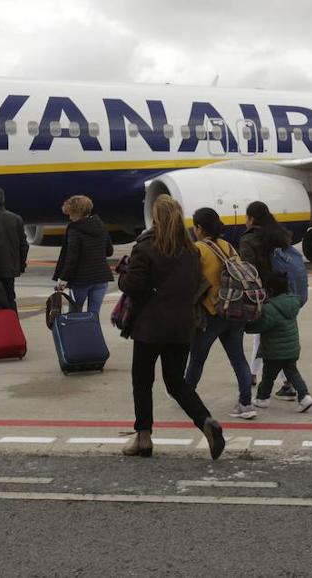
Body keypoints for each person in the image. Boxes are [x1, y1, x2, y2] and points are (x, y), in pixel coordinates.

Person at [117, 194, 225, 460]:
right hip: (181, 326)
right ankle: (205, 421)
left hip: (149, 327)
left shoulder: (146, 247)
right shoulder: (190, 250)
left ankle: (143, 438)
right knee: (176, 382)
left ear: (155, 218)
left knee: (142, 381)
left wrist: (123, 276)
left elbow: (133, 286)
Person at [184, 207, 256, 420]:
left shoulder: (198, 249)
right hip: (234, 311)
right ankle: (246, 403)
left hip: (211, 313)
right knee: (238, 358)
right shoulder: (229, 246)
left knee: (197, 357)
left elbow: (191, 280)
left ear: (199, 228)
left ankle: (186, 396)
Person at [238, 201, 297, 397]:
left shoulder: (249, 240)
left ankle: (290, 381)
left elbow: (248, 270)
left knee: (270, 338)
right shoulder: (279, 235)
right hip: (282, 289)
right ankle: (254, 372)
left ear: (251, 219)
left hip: (263, 293)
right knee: (265, 335)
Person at [245, 273, 312, 412]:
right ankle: (305, 396)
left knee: (268, 376)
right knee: (293, 373)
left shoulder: (269, 308)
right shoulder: (291, 303)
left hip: (274, 352)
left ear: (270, 291)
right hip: (291, 349)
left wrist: (246, 326)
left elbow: (260, 326)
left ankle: (262, 398)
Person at [52, 195, 113, 317]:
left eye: (70, 213)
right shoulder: (100, 225)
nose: (69, 217)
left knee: (75, 314)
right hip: (101, 277)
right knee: (94, 315)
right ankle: (91, 335)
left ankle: (76, 336)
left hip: (81, 280)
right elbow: (109, 251)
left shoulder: (75, 230)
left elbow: (72, 259)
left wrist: (63, 279)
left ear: (76, 212)